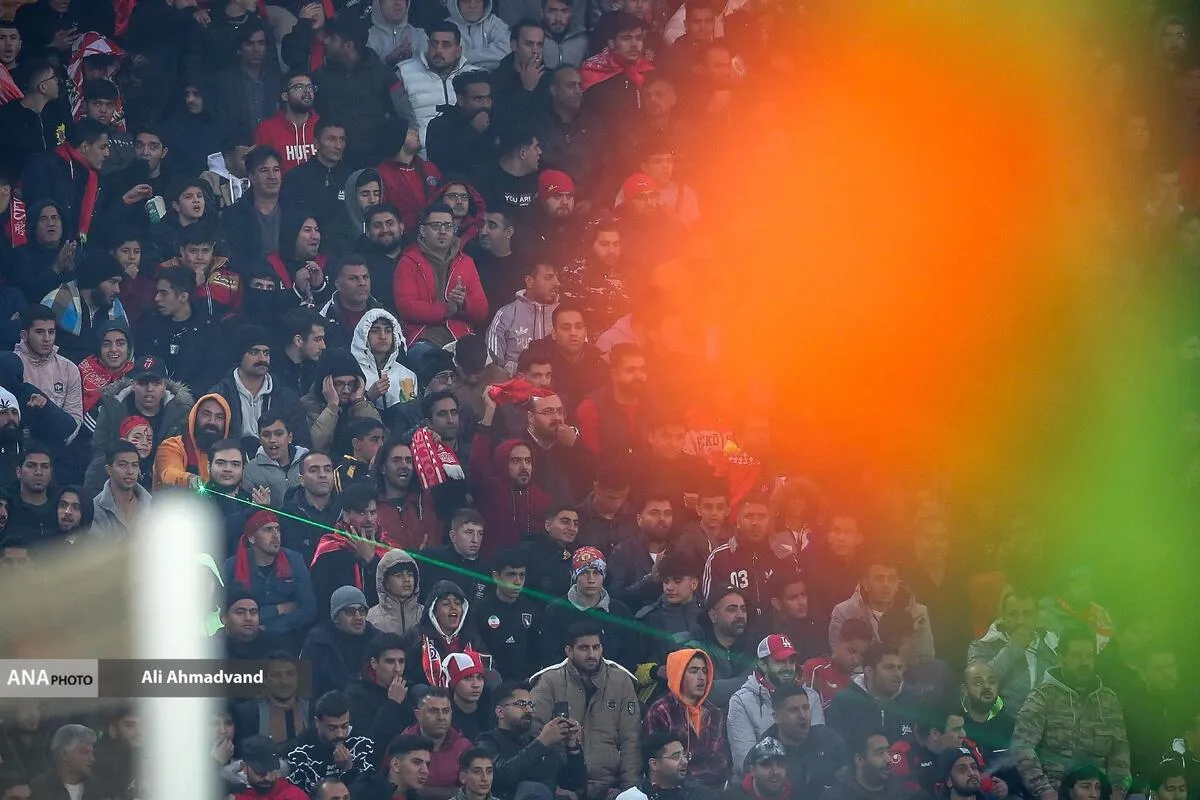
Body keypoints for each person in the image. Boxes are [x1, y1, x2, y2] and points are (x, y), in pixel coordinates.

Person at [1011, 625, 1131, 800]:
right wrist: (1046, 792)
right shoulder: (1041, 697)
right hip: (1055, 792)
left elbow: (1120, 754)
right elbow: (1022, 748)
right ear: (1061, 659)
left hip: (1099, 794)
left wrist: (1117, 793)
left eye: (1088, 656)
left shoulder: (1108, 700)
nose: (1084, 662)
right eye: (1076, 655)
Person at [530, 621, 641, 800]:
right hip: (563, 782)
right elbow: (534, 735)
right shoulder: (550, 680)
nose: (592, 654)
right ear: (569, 651)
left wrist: (629, 790)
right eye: (583, 648)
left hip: (610, 785)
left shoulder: (621, 680)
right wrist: (551, 786)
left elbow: (631, 739)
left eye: (596, 647)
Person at [393, 203, 489, 352]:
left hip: (460, 337)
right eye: (436, 226)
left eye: (448, 226)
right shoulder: (408, 261)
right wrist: (446, 309)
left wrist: (464, 303)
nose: (443, 231)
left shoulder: (466, 262)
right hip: (422, 336)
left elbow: (482, 310)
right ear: (423, 230)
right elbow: (407, 308)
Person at [727, 635, 826, 772]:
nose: (788, 668)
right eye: (780, 662)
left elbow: (821, 749)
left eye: (791, 662)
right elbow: (744, 762)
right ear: (763, 664)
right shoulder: (741, 702)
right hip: (765, 780)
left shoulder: (810, 697)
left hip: (807, 776)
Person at [209, 325, 308, 452]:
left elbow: (302, 442)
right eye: (254, 353)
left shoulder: (286, 398)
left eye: (266, 353)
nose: (262, 359)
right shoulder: (220, 394)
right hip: (230, 459)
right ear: (240, 356)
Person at [701, 493, 799, 621]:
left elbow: (797, 606)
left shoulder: (786, 558)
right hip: (735, 631)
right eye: (749, 516)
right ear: (738, 522)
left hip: (777, 632)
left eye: (761, 517)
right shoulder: (718, 559)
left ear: (769, 521)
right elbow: (711, 609)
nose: (755, 523)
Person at [223, 509, 317, 641]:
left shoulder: (295, 560)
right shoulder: (231, 566)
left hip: (287, 638)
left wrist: (268, 627)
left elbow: (309, 609)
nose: (275, 535)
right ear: (251, 538)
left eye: (277, 529)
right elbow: (227, 612)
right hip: (243, 639)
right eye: (268, 530)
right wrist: (279, 609)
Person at [642, 648, 729, 788]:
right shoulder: (661, 711)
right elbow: (657, 762)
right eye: (694, 671)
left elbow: (720, 760)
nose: (701, 677)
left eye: (704, 671)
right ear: (679, 674)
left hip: (710, 789)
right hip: (670, 789)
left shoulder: (714, 712)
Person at [538, 544, 635, 667]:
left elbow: (630, 656)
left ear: (604, 576)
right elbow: (550, 658)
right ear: (574, 575)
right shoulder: (556, 610)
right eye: (584, 573)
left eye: (596, 573)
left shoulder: (620, 611)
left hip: (613, 677)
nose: (591, 579)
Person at [828, 552, 935, 660]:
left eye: (891, 579)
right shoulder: (843, 613)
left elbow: (926, 657)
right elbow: (840, 659)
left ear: (898, 582)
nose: (886, 585)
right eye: (879, 579)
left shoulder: (918, 613)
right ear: (865, 584)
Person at [967, 585, 1057, 712]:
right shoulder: (983, 645)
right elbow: (979, 687)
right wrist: (1013, 647)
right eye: (1013, 614)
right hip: (1002, 720)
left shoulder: (1051, 644)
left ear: (1036, 616)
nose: (1021, 621)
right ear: (1003, 616)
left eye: (1027, 614)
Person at [19, 118, 110, 241]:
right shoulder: (44, 166)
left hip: (78, 247)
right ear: (85, 147)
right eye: (102, 147)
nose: (107, 153)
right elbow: (37, 214)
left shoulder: (95, 176)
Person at [396, 21, 474, 156]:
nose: (438, 50)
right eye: (434, 43)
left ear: (458, 51)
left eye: (446, 45)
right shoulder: (403, 73)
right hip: (419, 157)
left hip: (465, 155)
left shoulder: (474, 76)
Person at [310, 483, 389, 612]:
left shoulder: (387, 546)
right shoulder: (330, 549)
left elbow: (396, 590)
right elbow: (321, 599)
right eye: (362, 513)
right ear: (346, 516)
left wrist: (372, 561)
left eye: (373, 512)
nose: (369, 519)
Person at [39, 249, 126, 364]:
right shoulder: (57, 302)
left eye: (118, 283)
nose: (117, 290)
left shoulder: (115, 306)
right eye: (112, 282)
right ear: (94, 280)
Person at [760, 683, 846, 798]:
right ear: (776, 717)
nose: (802, 715)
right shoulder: (763, 756)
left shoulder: (828, 739)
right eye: (793, 710)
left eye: (805, 708)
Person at [826, 641, 917, 746]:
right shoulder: (844, 703)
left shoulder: (912, 702)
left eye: (900, 668)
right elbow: (837, 749)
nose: (898, 674)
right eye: (889, 667)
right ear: (869, 672)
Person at [286, 691, 377, 795]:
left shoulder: (362, 745)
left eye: (344, 726)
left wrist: (349, 770)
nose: (340, 734)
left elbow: (370, 793)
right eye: (332, 728)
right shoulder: (301, 754)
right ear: (317, 722)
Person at [581, 13, 654, 141]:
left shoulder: (649, 71)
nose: (634, 44)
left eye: (638, 38)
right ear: (612, 43)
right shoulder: (591, 71)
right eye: (626, 38)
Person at [469, 548, 540, 678]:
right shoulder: (480, 610)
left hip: (526, 681)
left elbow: (536, 651)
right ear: (496, 577)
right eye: (511, 575)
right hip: (491, 680)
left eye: (522, 575)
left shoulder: (531, 609)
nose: (517, 582)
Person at [302, 585, 379, 699]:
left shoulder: (376, 638)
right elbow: (304, 686)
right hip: (327, 704)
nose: (358, 617)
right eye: (350, 611)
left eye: (362, 610)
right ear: (336, 616)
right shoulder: (317, 642)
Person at [15, 304, 82, 434]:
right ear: (24, 335)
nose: (47, 339)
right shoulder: (10, 366)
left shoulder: (69, 369)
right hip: (20, 441)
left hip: (58, 442)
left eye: (51, 332)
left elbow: (75, 419)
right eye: (39, 332)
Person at [574, 342, 648, 460]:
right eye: (630, 370)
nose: (638, 376)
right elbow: (591, 458)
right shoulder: (591, 407)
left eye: (642, 370)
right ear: (614, 374)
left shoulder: (653, 404)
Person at [486, 261, 560, 375]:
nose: (557, 283)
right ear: (529, 281)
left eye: (557, 277)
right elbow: (493, 365)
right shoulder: (505, 314)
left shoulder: (566, 316)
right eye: (548, 278)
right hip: (514, 384)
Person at [608, 491, 677, 609]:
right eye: (654, 513)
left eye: (667, 513)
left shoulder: (679, 551)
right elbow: (615, 597)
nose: (662, 519)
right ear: (639, 519)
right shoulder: (622, 552)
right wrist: (650, 580)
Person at [400, 687, 472, 798]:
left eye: (446, 711)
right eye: (433, 711)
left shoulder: (463, 746)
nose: (441, 717)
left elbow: (472, 789)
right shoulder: (403, 745)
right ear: (418, 714)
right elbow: (397, 787)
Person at [221, 146, 284, 269]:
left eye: (276, 170)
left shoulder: (295, 208)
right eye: (264, 170)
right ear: (252, 176)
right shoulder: (234, 214)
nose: (272, 176)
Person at [375, 438, 440, 552]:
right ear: (383, 469)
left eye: (409, 460)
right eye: (396, 461)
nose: (404, 465)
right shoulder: (373, 508)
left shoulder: (425, 502)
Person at [888, 705, 970, 795]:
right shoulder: (903, 755)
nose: (963, 734)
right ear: (935, 733)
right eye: (956, 729)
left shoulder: (966, 746)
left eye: (962, 728)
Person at [426, 71, 494, 179]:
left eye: (488, 99)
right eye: (478, 99)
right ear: (461, 100)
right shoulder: (439, 126)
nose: (485, 105)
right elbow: (445, 165)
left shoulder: (496, 123)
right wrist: (473, 131)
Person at [280, 451, 341, 564]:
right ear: (302, 480)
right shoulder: (287, 514)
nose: (322, 475)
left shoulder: (345, 510)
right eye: (314, 470)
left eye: (327, 470)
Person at [352, 309, 419, 412]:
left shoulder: (407, 375)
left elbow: (413, 415)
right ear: (364, 334)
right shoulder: (353, 373)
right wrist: (369, 397)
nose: (383, 336)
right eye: (375, 331)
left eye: (388, 331)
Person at [254, 70, 319, 175]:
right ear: (285, 96)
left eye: (310, 87)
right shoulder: (267, 130)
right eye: (299, 87)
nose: (307, 92)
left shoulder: (322, 125)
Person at [421, 508, 491, 603]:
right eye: (469, 533)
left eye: (480, 533)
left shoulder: (486, 568)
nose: (475, 539)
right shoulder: (431, 560)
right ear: (453, 536)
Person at [803, 618, 872, 711]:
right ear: (838, 641)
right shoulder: (815, 668)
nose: (856, 660)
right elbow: (808, 713)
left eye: (862, 655)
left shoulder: (861, 681)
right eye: (852, 651)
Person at [243, 412, 307, 508]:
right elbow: (247, 508)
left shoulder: (308, 463)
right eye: (266, 435)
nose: (272, 440)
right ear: (260, 439)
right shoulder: (251, 470)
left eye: (278, 434)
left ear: (290, 437)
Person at [90, 441, 152, 538]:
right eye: (123, 465)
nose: (130, 471)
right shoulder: (95, 509)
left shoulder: (152, 504)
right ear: (108, 470)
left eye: (134, 465)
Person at [818, 731, 904, 800]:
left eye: (889, 752)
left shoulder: (900, 792)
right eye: (880, 753)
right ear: (859, 760)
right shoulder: (837, 796)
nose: (889, 759)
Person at [615, 733, 698, 800]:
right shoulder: (632, 797)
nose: (685, 761)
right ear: (654, 764)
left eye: (684, 755)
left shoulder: (699, 794)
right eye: (676, 756)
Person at [348, 735, 432, 800]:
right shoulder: (361, 793)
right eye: (416, 762)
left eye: (427, 765)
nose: (425, 771)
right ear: (395, 764)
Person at [28, 725, 98, 800]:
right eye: (85, 752)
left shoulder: (99, 789)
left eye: (92, 753)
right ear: (64, 755)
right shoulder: (37, 789)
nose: (92, 759)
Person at [4, 445, 56, 542]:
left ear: (51, 473)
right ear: (19, 472)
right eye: (31, 466)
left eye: (45, 467)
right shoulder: (6, 509)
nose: (38, 472)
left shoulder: (61, 509)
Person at [369, 549, 425, 636]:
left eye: (410, 575)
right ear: (385, 582)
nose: (406, 580)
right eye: (398, 575)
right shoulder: (371, 618)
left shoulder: (426, 614)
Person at [234, 736, 309, 800]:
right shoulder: (237, 796)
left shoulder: (296, 796)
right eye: (261, 771)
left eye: (272, 770)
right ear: (244, 767)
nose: (268, 777)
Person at [726, 737, 792, 800]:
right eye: (767, 765)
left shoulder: (795, 794)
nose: (775, 772)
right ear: (753, 770)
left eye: (780, 765)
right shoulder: (730, 797)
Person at [333, 417, 385, 495]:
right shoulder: (344, 470)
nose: (381, 444)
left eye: (382, 439)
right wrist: (371, 472)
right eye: (375, 440)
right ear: (356, 444)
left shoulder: (385, 467)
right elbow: (349, 498)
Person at [368, 0, 428, 66]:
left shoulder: (419, 35)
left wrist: (411, 59)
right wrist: (388, 61)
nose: (398, 3)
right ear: (378, 3)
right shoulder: (367, 38)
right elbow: (366, 69)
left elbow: (430, 67)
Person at [541, 0, 586, 68]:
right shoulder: (534, 39)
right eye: (552, 11)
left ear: (571, 12)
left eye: (564, 11)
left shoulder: (584, 40)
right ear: (542, 12)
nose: (558, 19)